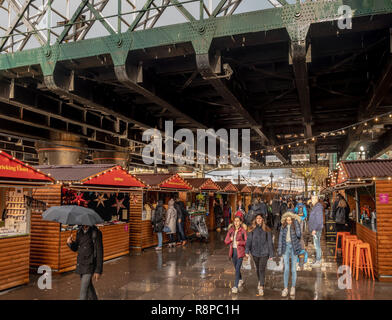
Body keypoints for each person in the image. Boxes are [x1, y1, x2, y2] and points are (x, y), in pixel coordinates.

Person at [67, 225, 103, 300]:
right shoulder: (79, 231)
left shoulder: (96, 233)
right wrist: (70, 243)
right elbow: (76, 248)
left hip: (90, 264)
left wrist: (98, 270)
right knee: (89, 288)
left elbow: (100, 252)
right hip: (80, 263)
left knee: (83, 291)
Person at [245, 214, 274, 296]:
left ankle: (261, 286)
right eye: (257, 218)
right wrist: (247, 251)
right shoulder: (251, 229)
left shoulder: (267, 229)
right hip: (254, 252)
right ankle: (260, 280)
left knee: (261, 269)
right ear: (255, 220)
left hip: (264, 252)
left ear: (262, 220)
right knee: (257, 269)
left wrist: (271, 254)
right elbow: (248, 241)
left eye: (260, 218)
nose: (258, 219)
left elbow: (270, 242)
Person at [278, 212, 302, 297]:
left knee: (293, 269)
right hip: (286, 247)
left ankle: (293, 287)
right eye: (287, 220)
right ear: (285, 220)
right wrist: (279, 250)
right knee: (286, 269)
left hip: (294, 247)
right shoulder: (283, 227)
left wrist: (296, 223)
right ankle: (285, 288)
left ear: (292, 219)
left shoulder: (295, 225)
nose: (289, 221)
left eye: (290, 220)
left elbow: (299, 235)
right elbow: (280, 239)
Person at [224, 215, 247, 294]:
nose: (236, 222)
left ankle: (235, 286)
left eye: (238, 221)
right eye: (235, 221)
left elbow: (246, 242)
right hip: (232, 251)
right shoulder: (231, 230)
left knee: (237, 269)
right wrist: (230, 240)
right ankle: (240, 279)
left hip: (240, 252)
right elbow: (225, 241)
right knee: (236, 268)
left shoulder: (243, 230)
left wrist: (240, 242)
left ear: (240, 222)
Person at [308, 196, 324, 267]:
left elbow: (319, 220)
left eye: (312, 199)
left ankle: (318, 260)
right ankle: (318, 259)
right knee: (316, 245)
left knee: (317, 245)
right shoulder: (316, 207)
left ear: (316, 199)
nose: (311, 200)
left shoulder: (318, 207)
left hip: (316, 229)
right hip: (315, 229)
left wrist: (314, 229)